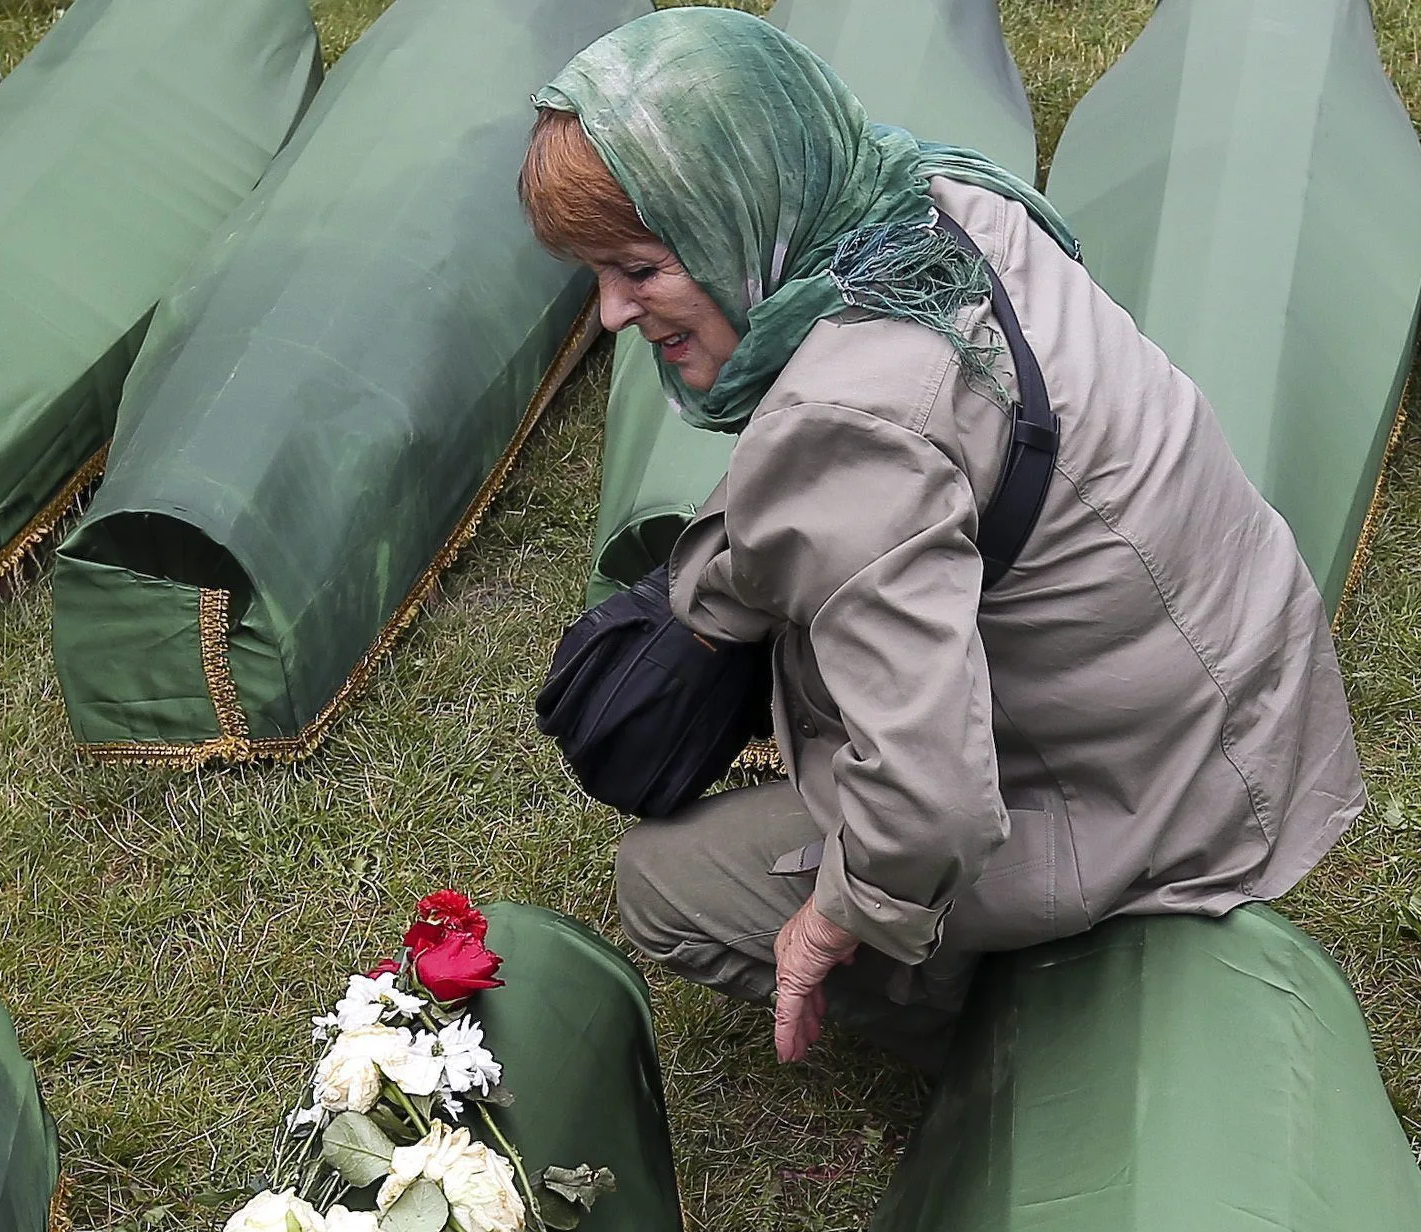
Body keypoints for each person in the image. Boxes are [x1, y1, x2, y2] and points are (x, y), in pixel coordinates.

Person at [523, 11, 1361, 1069]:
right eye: (594, 272)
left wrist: (837, 915)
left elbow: (932, 806)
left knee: (662, 885)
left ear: (736, 216)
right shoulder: (930, 199)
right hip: (1237, 700)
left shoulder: (849, 421)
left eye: (639, 268)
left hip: (1156, 800)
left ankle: (985, 1020)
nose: (609, 311)